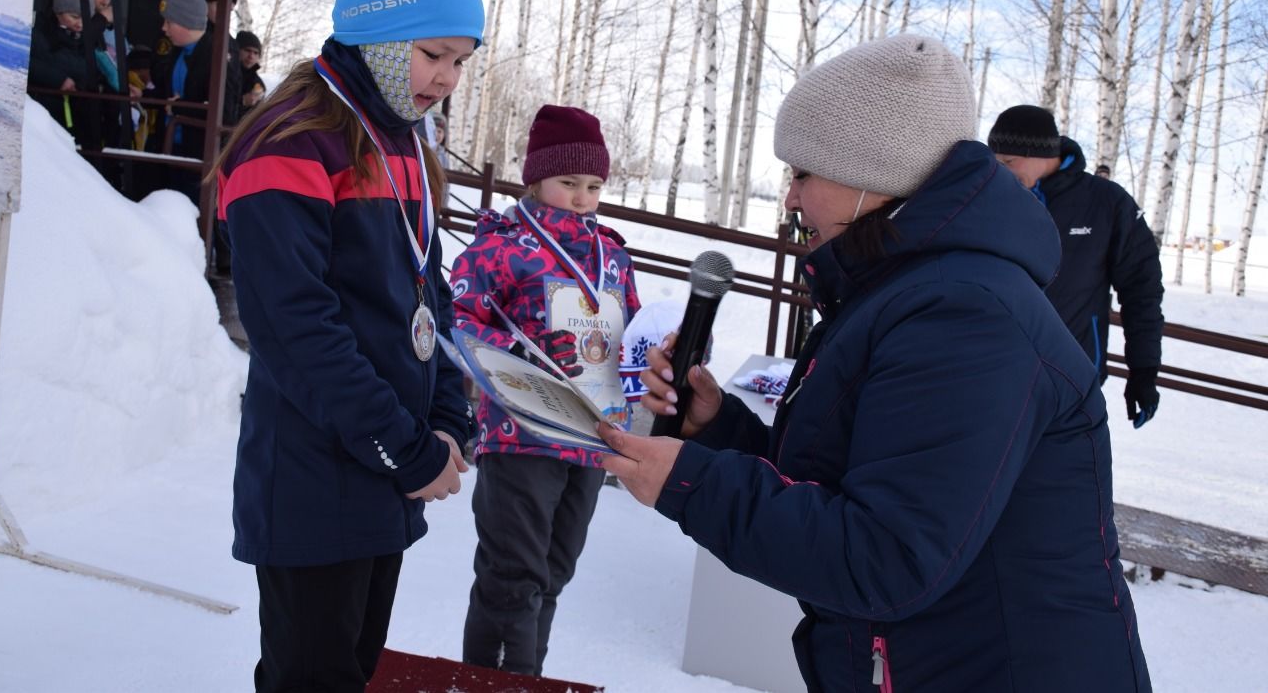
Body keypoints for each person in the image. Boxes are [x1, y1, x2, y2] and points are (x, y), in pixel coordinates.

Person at [599, 34, 1151, 693]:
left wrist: (695, 484)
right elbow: (856, 477)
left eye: (802, 173)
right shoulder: (908, 290)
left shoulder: (967, 316)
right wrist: (718, 430)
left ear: (871, 176)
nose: (791, 200)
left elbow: (888, 557)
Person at [213, 0, 484, 693]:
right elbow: (298, 331)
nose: (448, 79)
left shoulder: (401, 141)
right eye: (433, 54)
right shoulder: (289, 143)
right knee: (313, 677)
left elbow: (427, 293)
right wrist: (406, 445)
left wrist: (447, 419)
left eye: (461, 61)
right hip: (314, 480)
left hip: (380, 473)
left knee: (353, 671)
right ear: (377, 26)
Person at [452, 104, 641, 677]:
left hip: (590, 436)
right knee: (513, 577)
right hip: (521, 436)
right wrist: (520, 357)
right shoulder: (502, 247)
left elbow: (629, 328)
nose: (582, 198)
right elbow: (457, 318)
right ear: (535, 178)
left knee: (553, 574)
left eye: (593, 185)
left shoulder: (612, 254)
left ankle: (524, 679)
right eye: (568, 183)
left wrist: (655, 355)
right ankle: (491, 683)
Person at [989, 104, 1164, 428]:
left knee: (1056, 476)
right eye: (995, 162)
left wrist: (1143, 370)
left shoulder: (1107, 203)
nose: (1001, 170)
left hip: (1070, 378)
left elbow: (1142, 289)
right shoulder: (993, 195)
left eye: (1009, 162)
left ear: (1041, 153)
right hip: (992, 373)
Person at [146, 0, 242, 197]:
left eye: (169, 22)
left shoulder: (218, 55)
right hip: (171, 150)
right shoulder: (176, 51)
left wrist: (179, 109)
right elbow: (166, 93)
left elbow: (224, 113)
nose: (164, 28)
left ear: (185, 22)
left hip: (199, 159)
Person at [27, 0, 105, 147]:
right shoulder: (36, 33)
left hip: (72, 114)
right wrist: (58, 79)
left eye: (86, 18)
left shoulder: (84, 38)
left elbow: (89, 69)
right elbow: (27, 65)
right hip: (44, 112)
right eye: (74, 17)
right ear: (58, 11)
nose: (80, 24)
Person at [235, 30, 266, 114]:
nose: (251, 56)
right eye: (247, 50)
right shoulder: (226, 74)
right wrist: (242, 101)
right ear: (237, 50)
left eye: (256, 53)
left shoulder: (258, 83)